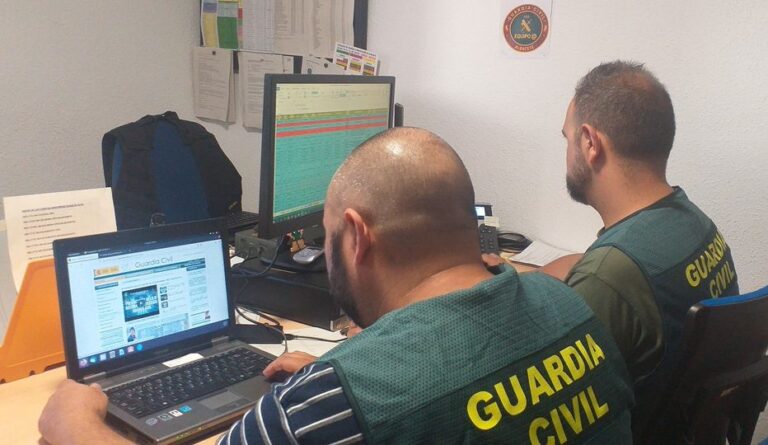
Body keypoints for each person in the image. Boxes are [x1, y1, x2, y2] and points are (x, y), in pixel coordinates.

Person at [39, 127, 634, 444]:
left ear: (357, 236)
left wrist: (77, 429)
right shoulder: (570, 305)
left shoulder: (335, 403)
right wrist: (341, 367)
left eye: (327, 237)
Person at [547, 60, 740, 437]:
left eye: (567, 138)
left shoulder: (610, 277)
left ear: (590, 143)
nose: (567, 150)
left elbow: (552, 403)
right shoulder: (695, 223)